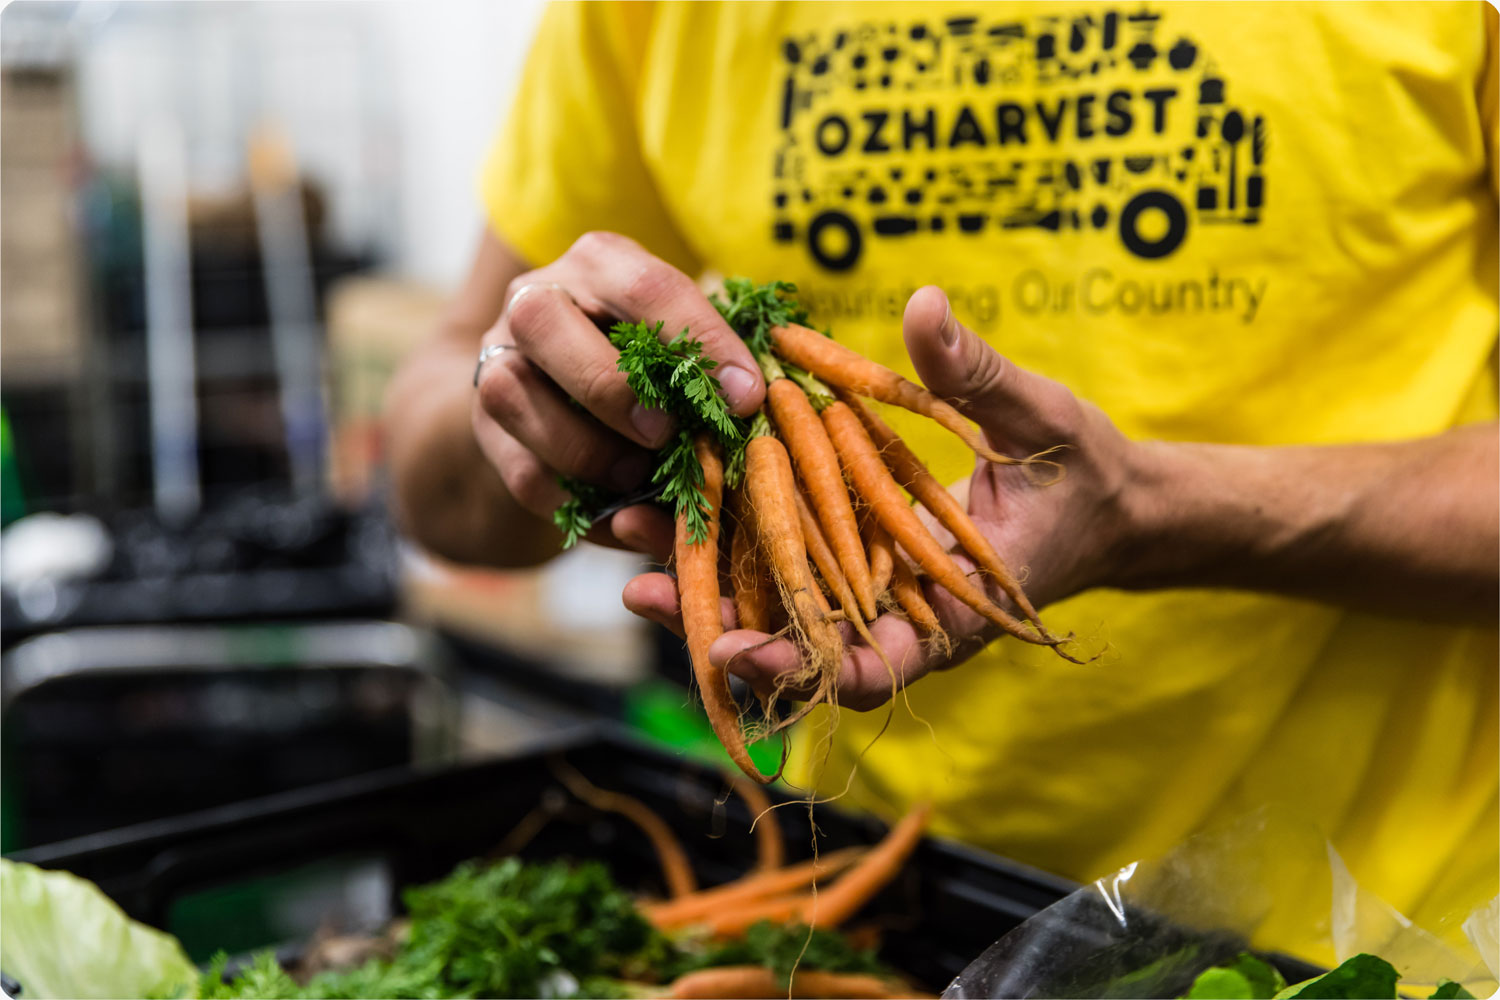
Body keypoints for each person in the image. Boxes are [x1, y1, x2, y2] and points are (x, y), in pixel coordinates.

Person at [385, 1, 1498, 950]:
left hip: (1374, 933)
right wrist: (527, 405)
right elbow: (434, 470)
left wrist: (1158, 511)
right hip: (878, 917)